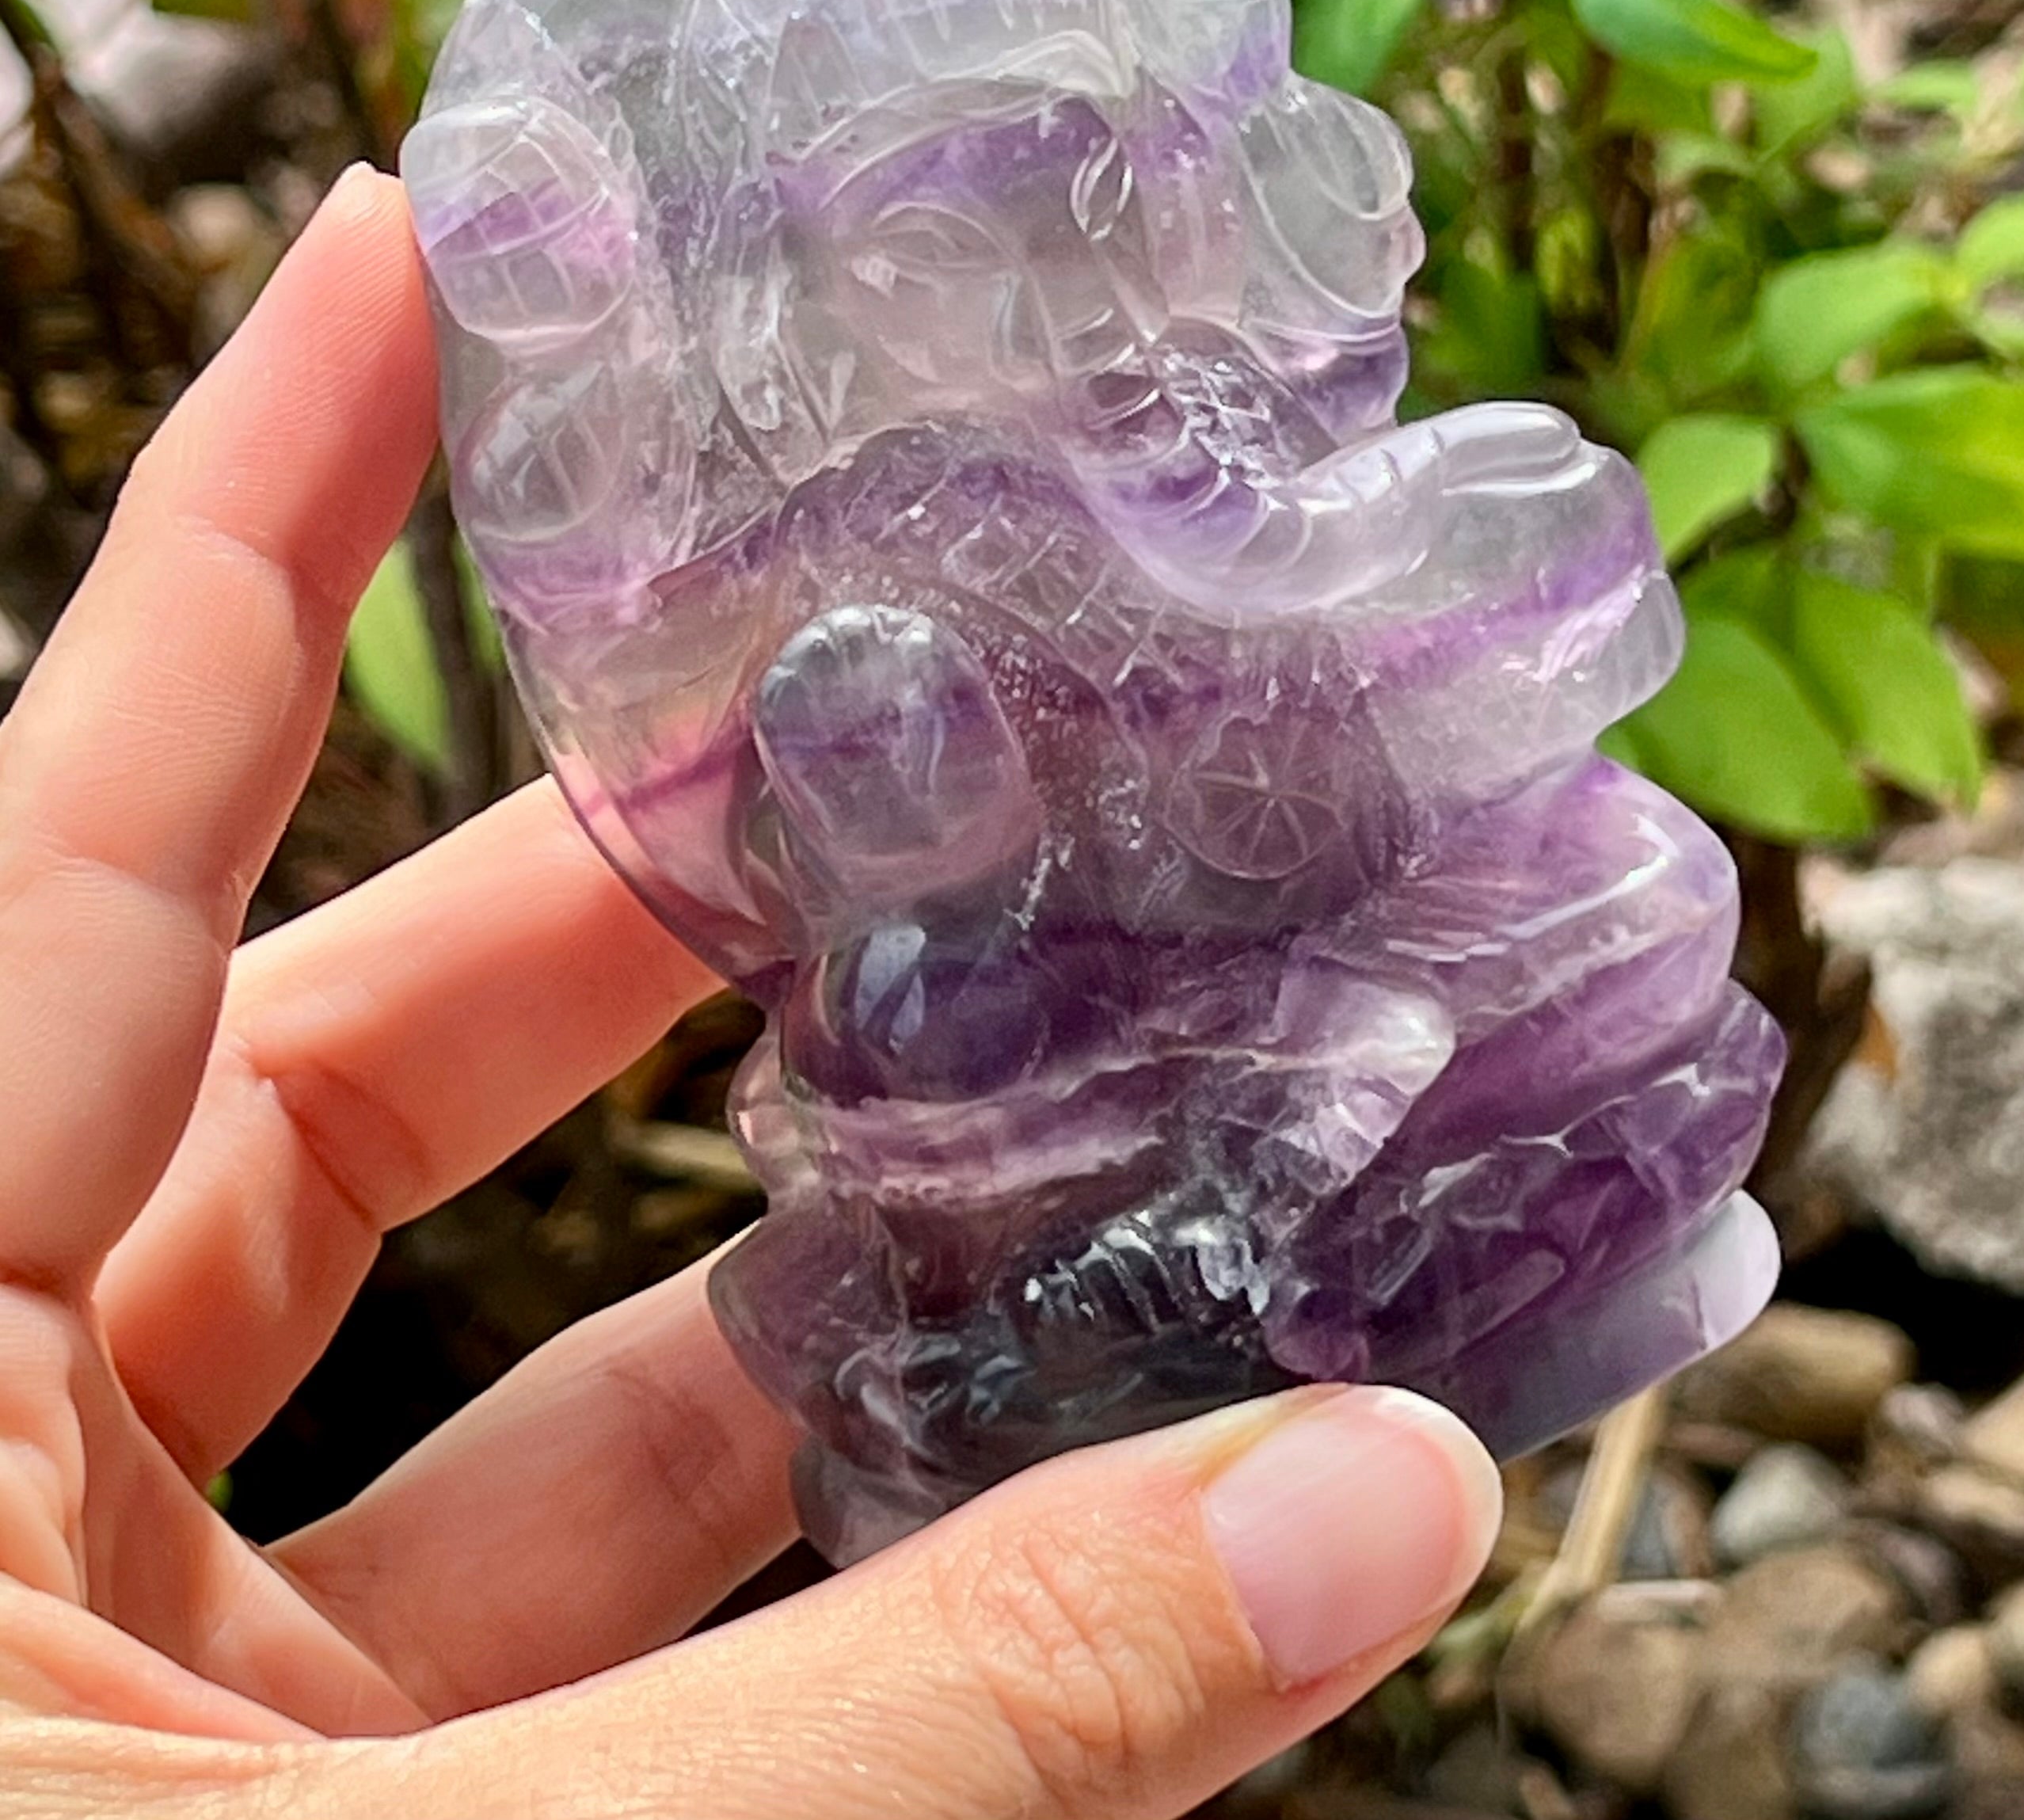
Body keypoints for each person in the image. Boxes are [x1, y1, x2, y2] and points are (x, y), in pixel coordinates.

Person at [0, 168, 1501, 1818]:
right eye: (856, 770)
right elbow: (873, 1174)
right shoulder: (878, 957)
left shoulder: (1128, 782)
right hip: (1024, 1289)